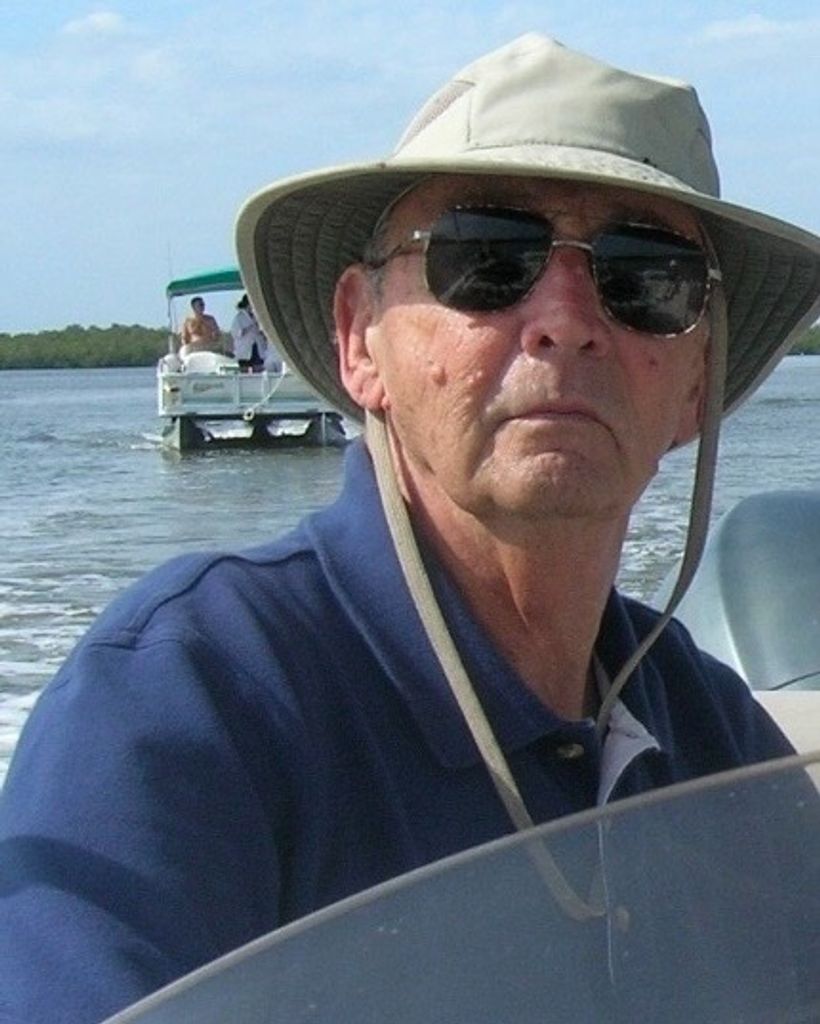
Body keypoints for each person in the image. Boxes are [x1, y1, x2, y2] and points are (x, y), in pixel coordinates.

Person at [2, 34, 820, 1024]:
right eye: (488, 258)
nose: (566, 317)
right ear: (360, 339)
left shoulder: (714, 738)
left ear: (696, 382)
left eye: (647, 276)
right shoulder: (186, 705)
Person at [230, 292, 269, 371]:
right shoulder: (239, 317)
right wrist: (250, 327)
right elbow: (235, 333)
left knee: (258, 369)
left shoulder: (257, 316)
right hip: (245, 349)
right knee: (244, 370)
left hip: (257, 347)